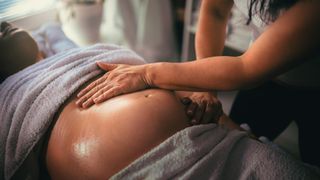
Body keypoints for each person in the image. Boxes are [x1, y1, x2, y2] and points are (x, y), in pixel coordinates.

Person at [76, 0, 320, 167]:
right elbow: (214, 11)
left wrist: (147, 74)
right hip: (268, 84)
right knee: (236, 146)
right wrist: (205, 89)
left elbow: (246, 68)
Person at [0, 22, 231, 179]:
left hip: (207, 136)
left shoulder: (69, 54)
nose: (2, 26)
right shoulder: (7, 94)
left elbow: (53, 30)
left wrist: (226, 122)